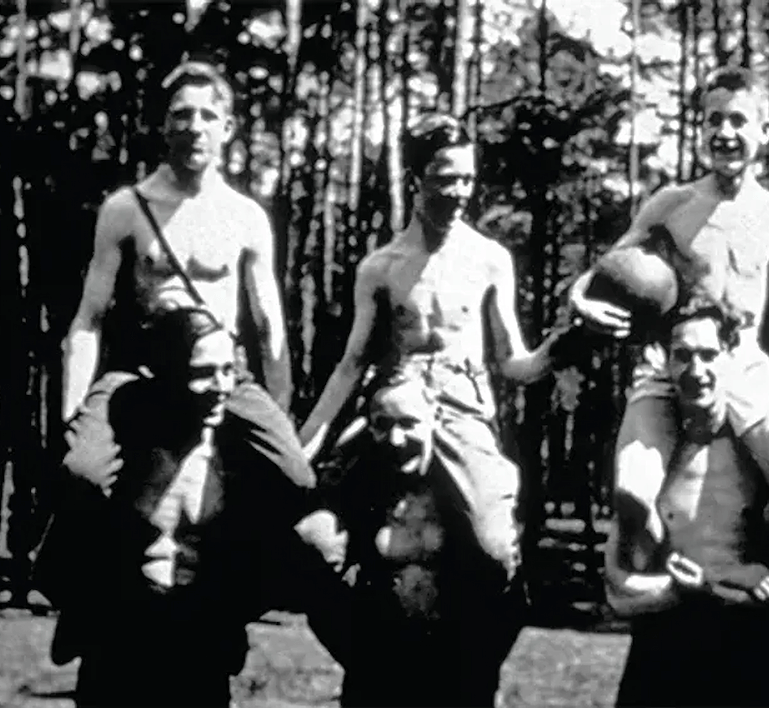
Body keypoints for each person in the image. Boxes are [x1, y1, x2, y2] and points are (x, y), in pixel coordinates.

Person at [50, 59, 342, 662]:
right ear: (163, 125)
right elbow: (89, 319)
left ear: (228, 128)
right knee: (82, 473)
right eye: (182, 115)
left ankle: (235, 604)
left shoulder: (245, 216)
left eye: (209, 115)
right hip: (143, 369)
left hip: (223, 371)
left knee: (294, 477)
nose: (195, 127)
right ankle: (79, 602)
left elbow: (269, 327)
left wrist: (275, 415)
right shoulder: (127, 207)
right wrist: (74, 411)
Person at [297, 112, 564, 706]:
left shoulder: (490, 259)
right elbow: (351, 365)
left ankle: (473, 669)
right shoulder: (382, 266)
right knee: (313, 541)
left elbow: (514, 361)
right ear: (416, 177)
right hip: (392, 412)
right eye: (445, 178)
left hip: (463, 416)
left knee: (494, 550)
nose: (458, 191)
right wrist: (307, 443)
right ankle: (371, 662)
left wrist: (561, 346)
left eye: (467, 178)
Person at [570, 65, 769, 586]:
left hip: (742, 364)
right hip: (671, 362)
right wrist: (580, 300)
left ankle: (754, 578)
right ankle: (674, 581)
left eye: (737, 121)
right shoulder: (671, 204)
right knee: (631, 494)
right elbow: (604, 274)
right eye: (713, 121)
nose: (724, 133)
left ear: (765, 131)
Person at [51, 307, 323, 707]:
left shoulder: (236, 457)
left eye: (229, 371)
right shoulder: (127, 447)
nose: (221, 387)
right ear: (167, 373)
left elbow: (295, 484)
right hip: (121, 638)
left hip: (199, 639)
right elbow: (81, 485)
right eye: (203, 373)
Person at [606, 296, 769, 708]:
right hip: (666, 647)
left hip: (754, 646)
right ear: (666, 363)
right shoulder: (650, 459)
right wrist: (678, 592)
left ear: (729, 357)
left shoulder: (764, 461)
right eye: (682, 356)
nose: (696, 371)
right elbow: (616, 589)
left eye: (708, 355)